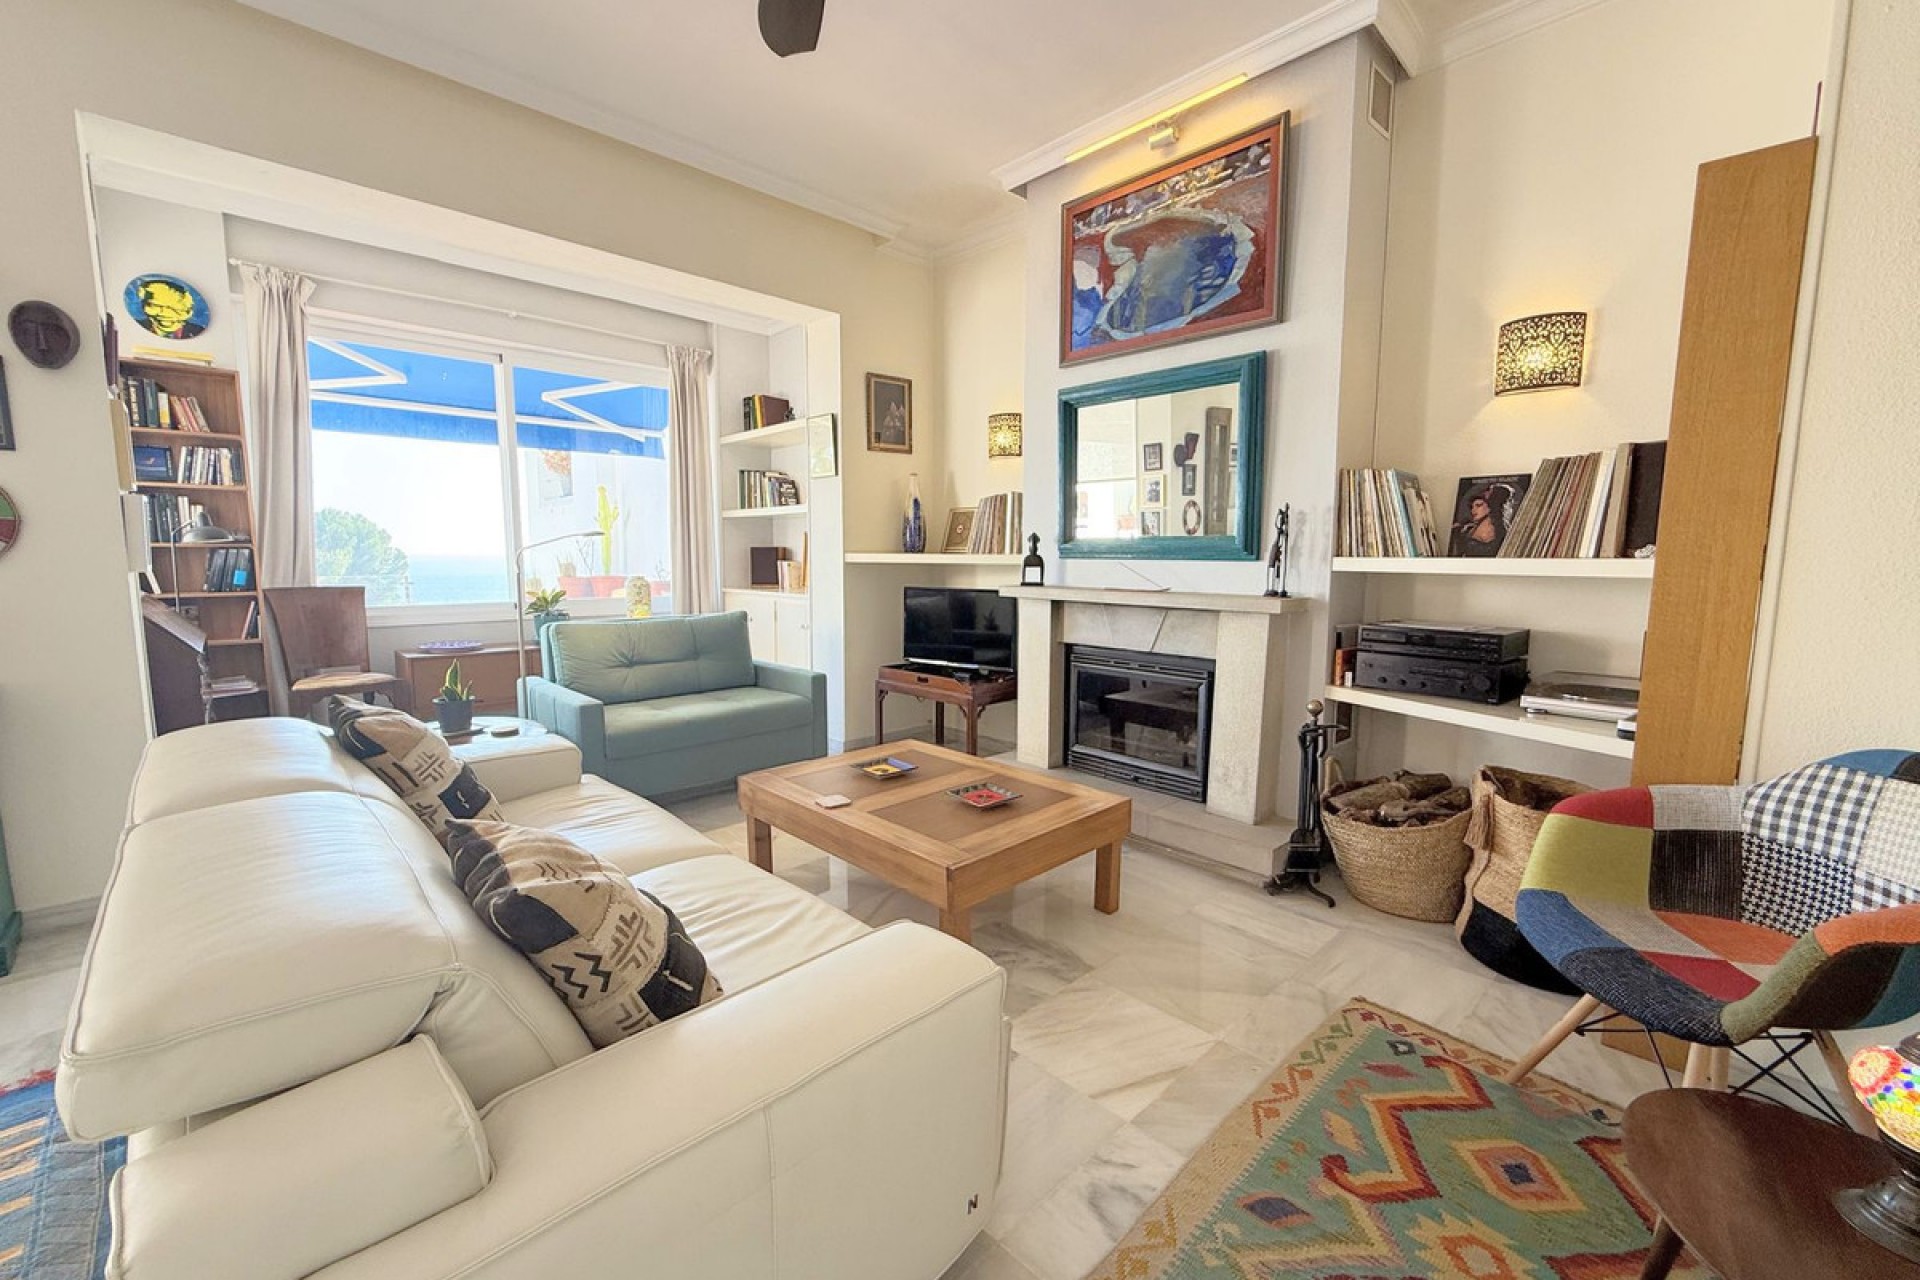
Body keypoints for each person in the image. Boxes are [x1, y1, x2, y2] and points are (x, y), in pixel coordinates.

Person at [1449, 483, 1511, 557]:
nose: (1473, 511)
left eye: (1478, 505)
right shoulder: (1470, 526)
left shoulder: (1493, 529)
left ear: (1490, 506)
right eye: (1472, 507)